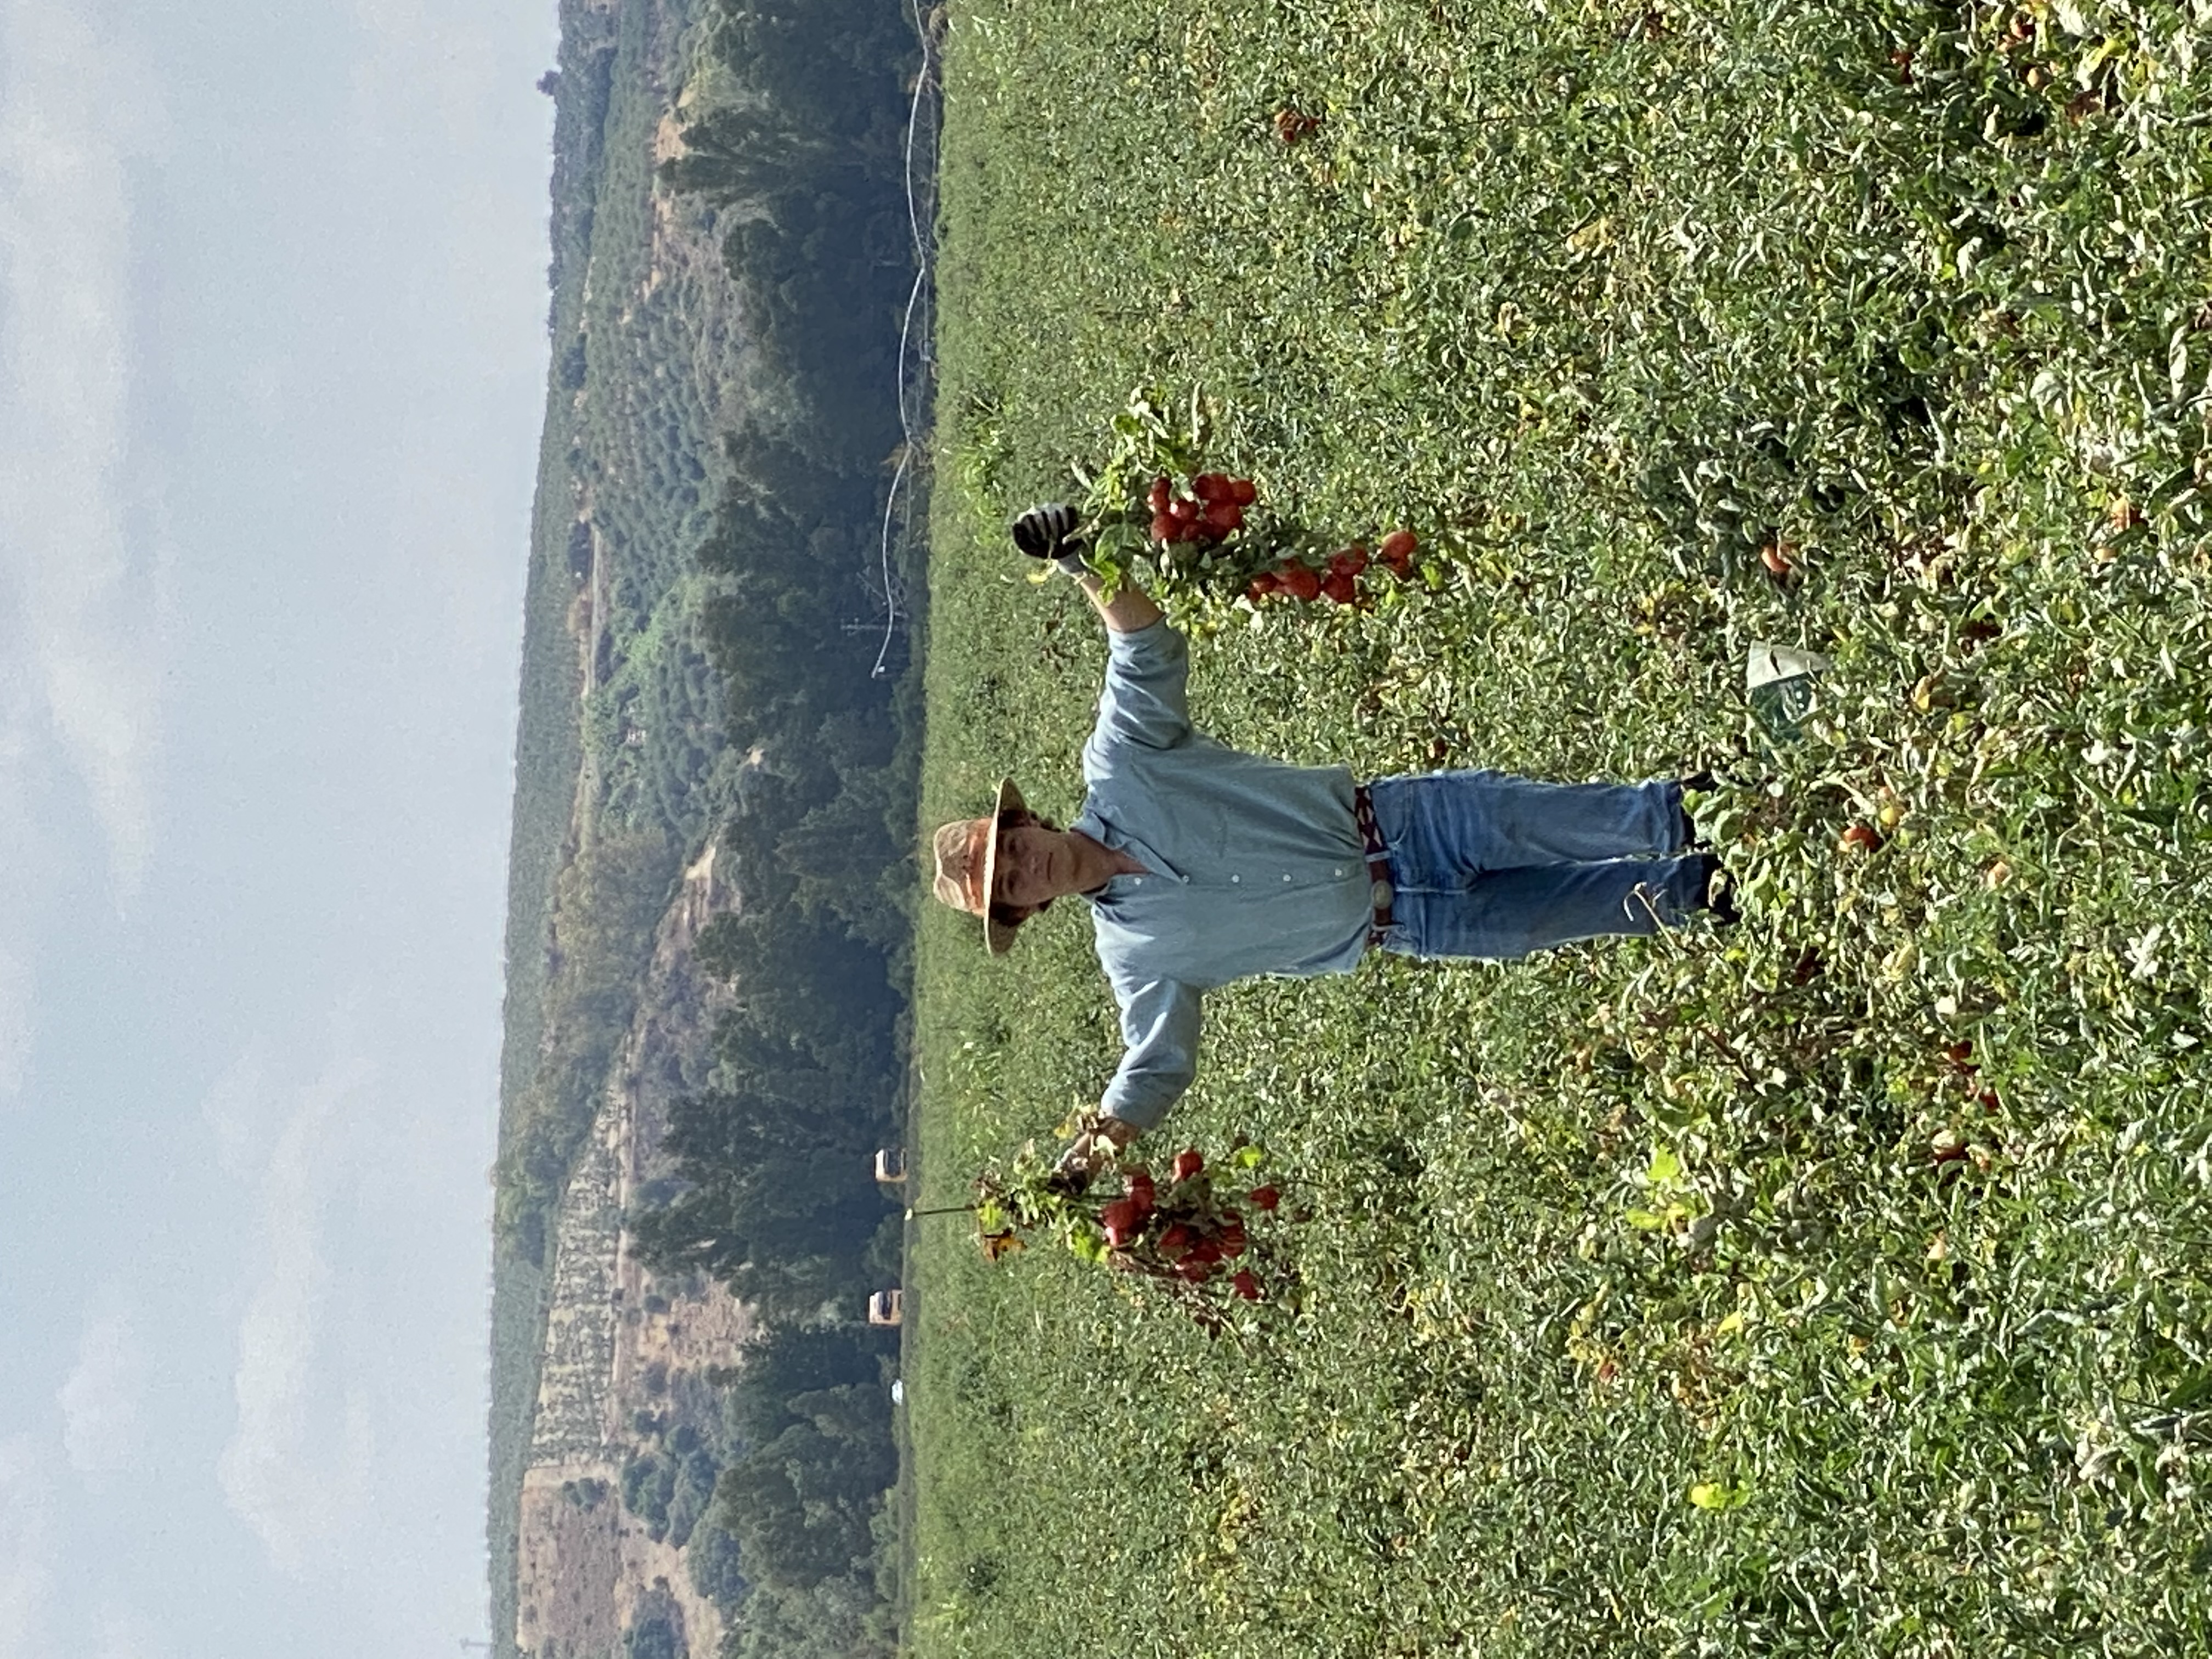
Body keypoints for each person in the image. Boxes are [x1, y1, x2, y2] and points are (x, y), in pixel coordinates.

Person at [930, 505, 1735, 1181]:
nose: (1024, 868)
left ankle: (1732, 811)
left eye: (1012, 847)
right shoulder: (1138, 956)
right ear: (1028, 910)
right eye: (1011, 886)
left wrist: (1081, 562)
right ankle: (1718, 891)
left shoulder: (1121, 767)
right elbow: (1154, 1069)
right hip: (1414, 926)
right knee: (1605, 911)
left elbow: (1145, 653)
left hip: (1410, 822)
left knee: (1628, 818)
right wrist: (1086, 1161)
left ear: (1029, 821)